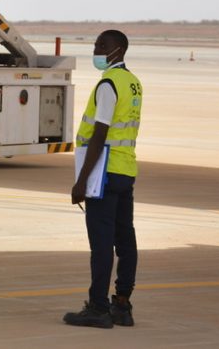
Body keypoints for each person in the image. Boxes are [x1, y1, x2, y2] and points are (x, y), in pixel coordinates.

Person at [65, 29, 142, 329]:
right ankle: (122, 304)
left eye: (102, 45)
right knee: (126, 240)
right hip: (126, 171)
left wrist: (81, 181)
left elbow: (99, 135)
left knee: (101, 244)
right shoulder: (134, 83)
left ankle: (98, 307)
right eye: (97, 44)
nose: (96, 49)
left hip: (104, 174)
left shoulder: (108, 84)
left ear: (118, 50)